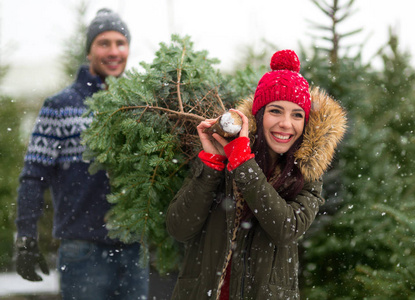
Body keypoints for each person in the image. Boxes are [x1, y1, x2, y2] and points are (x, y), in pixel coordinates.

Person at [166, 49, 347, 300]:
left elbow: (286, 227)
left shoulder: (307, 176)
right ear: (259, 116)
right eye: (276, 111)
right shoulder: (225, 156)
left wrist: (243, 163)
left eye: (297, 115)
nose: (286, 123)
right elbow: (179, 228)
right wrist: (212, 164)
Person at [15, 8, 149, 299]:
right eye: (104, 43)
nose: (114, 51)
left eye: (120, 43)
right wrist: (26, 237)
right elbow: (34, 176)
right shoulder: (60, 105)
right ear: (89, 51)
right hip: (83, 250)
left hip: (135, 249)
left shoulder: (144, 108)